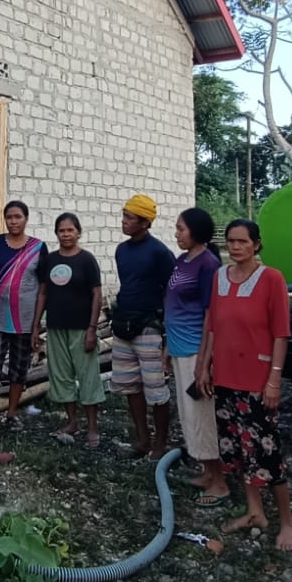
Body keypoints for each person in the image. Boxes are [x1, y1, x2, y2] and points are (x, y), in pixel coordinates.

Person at [197, 218, 292, 550]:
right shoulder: (219, 278)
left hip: (256, 381)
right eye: (231, 241)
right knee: (238, 450)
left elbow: (281, 333)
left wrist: (274, 379)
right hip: (226, 379)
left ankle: (287, 521)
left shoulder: (271, 279)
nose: (236, 247)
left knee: (267, 452)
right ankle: (255, 512)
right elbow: (212, 326)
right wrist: (205, 366)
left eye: (243, 241)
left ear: (256, 244)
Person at [166, 208, 226, 507]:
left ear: (196, 231)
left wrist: (205, 362)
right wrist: (168, 347)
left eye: (181, 229)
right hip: (179, 349)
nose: (176, 234)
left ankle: (220, 482)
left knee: (203, 416)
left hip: (195, 350)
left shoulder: (208, 265)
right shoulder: (182, 261)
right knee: (189, 415)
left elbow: (209, 317)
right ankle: (205, 471)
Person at [111, 194, 177, 459]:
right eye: (124, 215)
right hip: (123, 326)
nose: (124, 221)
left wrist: (167, 336)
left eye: (130, 217)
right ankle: (142, 440)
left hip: (149, 327)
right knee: (130, 386)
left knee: (156, 389)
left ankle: (161, 444)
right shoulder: (121, 250)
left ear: (144, 222)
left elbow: (171, 294)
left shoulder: (160, 253)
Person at [32, 213, 104, 448]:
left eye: (70, 230)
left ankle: (92, 427)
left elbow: (96, 294)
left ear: (78, 232)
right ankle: (72, 422)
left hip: (82, 328)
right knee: (61, 377)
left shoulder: (87, 260)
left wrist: (92, 328)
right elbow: (43, 293)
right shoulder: (50, 260)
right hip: (56, 327)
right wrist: (36, 325)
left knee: (87, 377)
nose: (66, 235)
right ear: (56, 234)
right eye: (61, 231)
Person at [0, 200, 47, 427]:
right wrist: (0, 293)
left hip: (25, 321)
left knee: (19, 368)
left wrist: (36, 324)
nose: (13, 221)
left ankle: (11, 414)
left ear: (26, 219)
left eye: (18, 217)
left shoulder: (38, 247)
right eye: (9, 217)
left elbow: (43, 288)